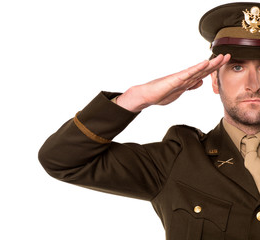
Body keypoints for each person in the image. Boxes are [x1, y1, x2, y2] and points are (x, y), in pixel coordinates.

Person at [38, 2, 260, 239]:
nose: (254, 85)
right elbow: (62, 161)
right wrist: (136, 98)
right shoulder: (177, 159)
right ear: (215, 82)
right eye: (237, 67)